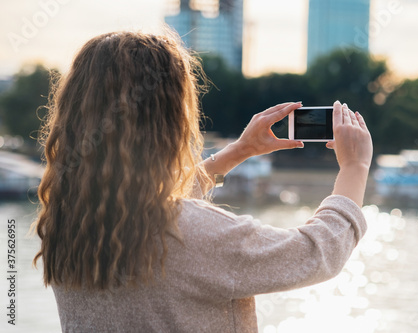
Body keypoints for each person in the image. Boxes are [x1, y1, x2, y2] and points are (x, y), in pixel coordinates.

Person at [32, 29, 372, 333]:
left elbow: (141, 206)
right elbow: (316, 253)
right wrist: (355, 167)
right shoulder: (190, 234)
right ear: (169, 121)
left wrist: (237, 152)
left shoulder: (65, 221)